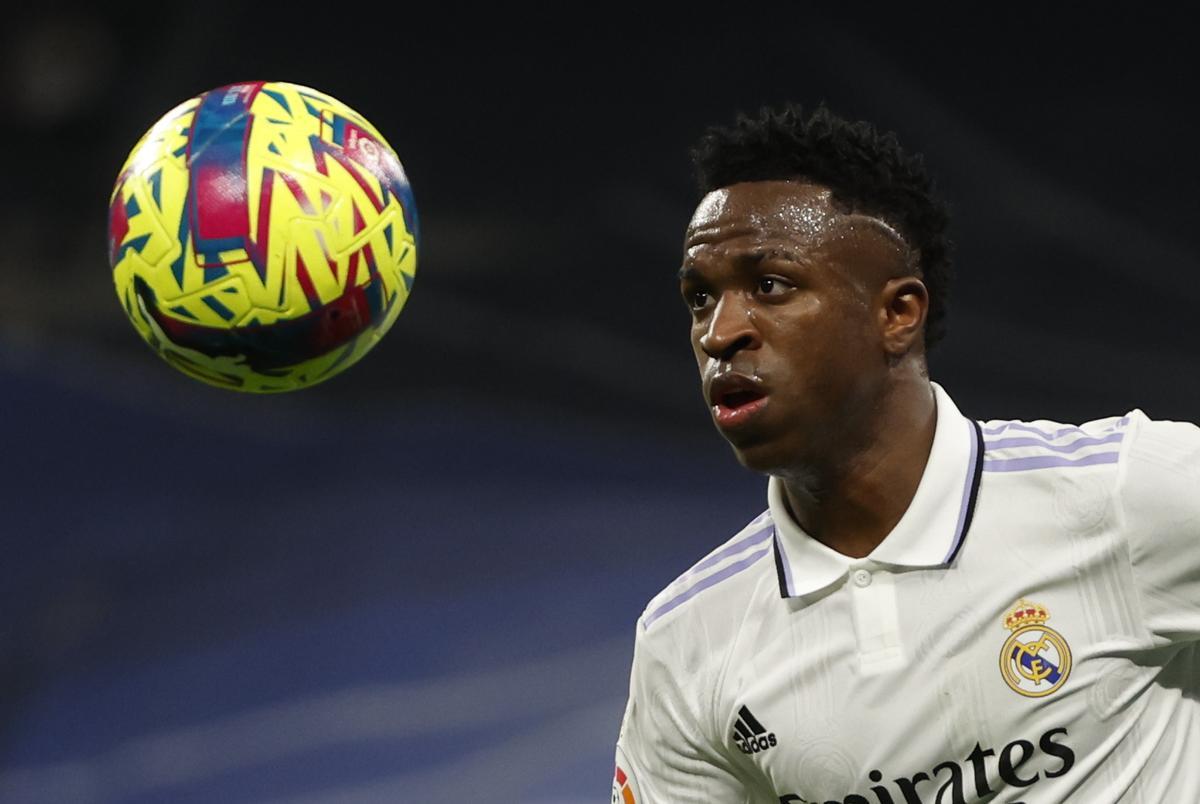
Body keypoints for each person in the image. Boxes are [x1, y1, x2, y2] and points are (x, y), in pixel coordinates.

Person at [611, 104, 1199, 804]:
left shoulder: (1128, 495)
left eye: (770, 285)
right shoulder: (688, 643)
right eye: (700, 298)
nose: (720, 332)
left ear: (898, 314)